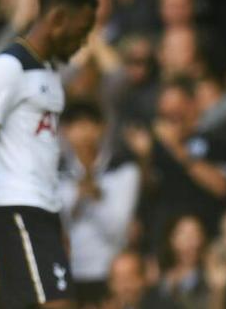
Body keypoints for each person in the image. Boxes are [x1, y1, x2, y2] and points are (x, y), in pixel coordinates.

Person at [0, 0, 98, 309]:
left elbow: (41, 153)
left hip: (41, 208)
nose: (84, 41)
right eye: (82, 30)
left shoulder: (49, 74)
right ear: (57, 18)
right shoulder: (7, 68)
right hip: (16, 205)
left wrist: (57, 220)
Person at [57, 100, 140, 308]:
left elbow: (118, 229)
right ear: (65, 131)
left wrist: (95, 195)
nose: (84, 133)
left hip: (109, 272)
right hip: (68, 272)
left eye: (90, 124)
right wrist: (78, 196)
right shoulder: (56, 171)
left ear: (102, 128)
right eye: (76, 125)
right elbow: (58, 225)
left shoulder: (123, 169)